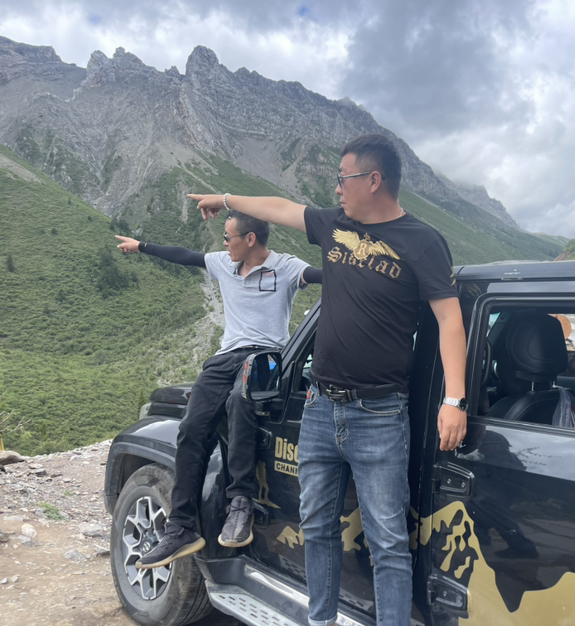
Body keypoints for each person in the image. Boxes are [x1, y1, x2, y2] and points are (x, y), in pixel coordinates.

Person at [188, 134, 467, 626]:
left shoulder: (422, 241)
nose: (336, 188)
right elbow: (279, 208)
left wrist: (455, 400)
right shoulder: (336, 225)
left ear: (373, 180)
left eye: (343, 178)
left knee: (387, 542)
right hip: (319, 407)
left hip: (380, 414)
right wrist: (226, 199)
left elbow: (449, 319)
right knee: (316, 528)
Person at [115, 210, 322, 569]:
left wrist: (366, 268)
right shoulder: (226, 264)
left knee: (239, 403)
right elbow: (185, 256)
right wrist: (142, 246)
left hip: (265, 358)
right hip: (226, 357)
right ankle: (181, 527)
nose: (223, 243)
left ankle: (240, 503)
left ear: (250, 239)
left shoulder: (285, 267)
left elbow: (320, 275)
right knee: (191, 427)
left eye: (229, 237)